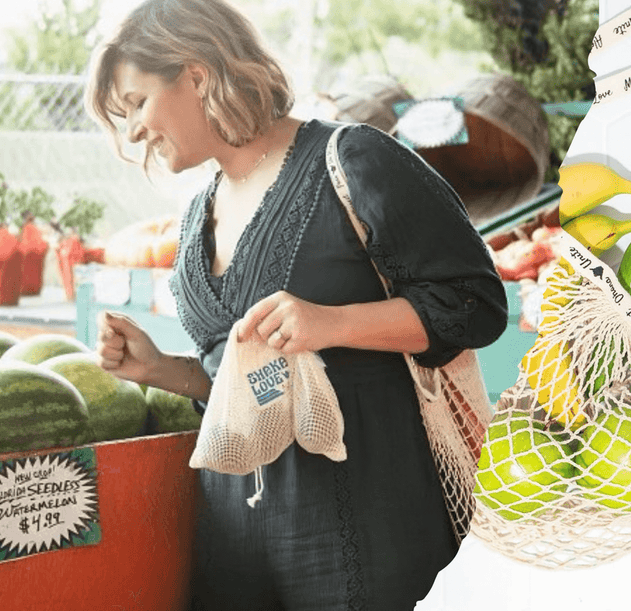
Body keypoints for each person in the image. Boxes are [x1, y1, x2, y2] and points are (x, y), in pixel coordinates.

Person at [84, 1, 508, 609]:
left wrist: (330, 322)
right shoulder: (195, 217)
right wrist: (159, 370)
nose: (133, 132)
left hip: (369, 535)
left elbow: (475, 305)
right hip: (238, 550)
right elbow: (243, 383)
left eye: (138, 103)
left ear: (196, 74)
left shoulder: (354, 159)